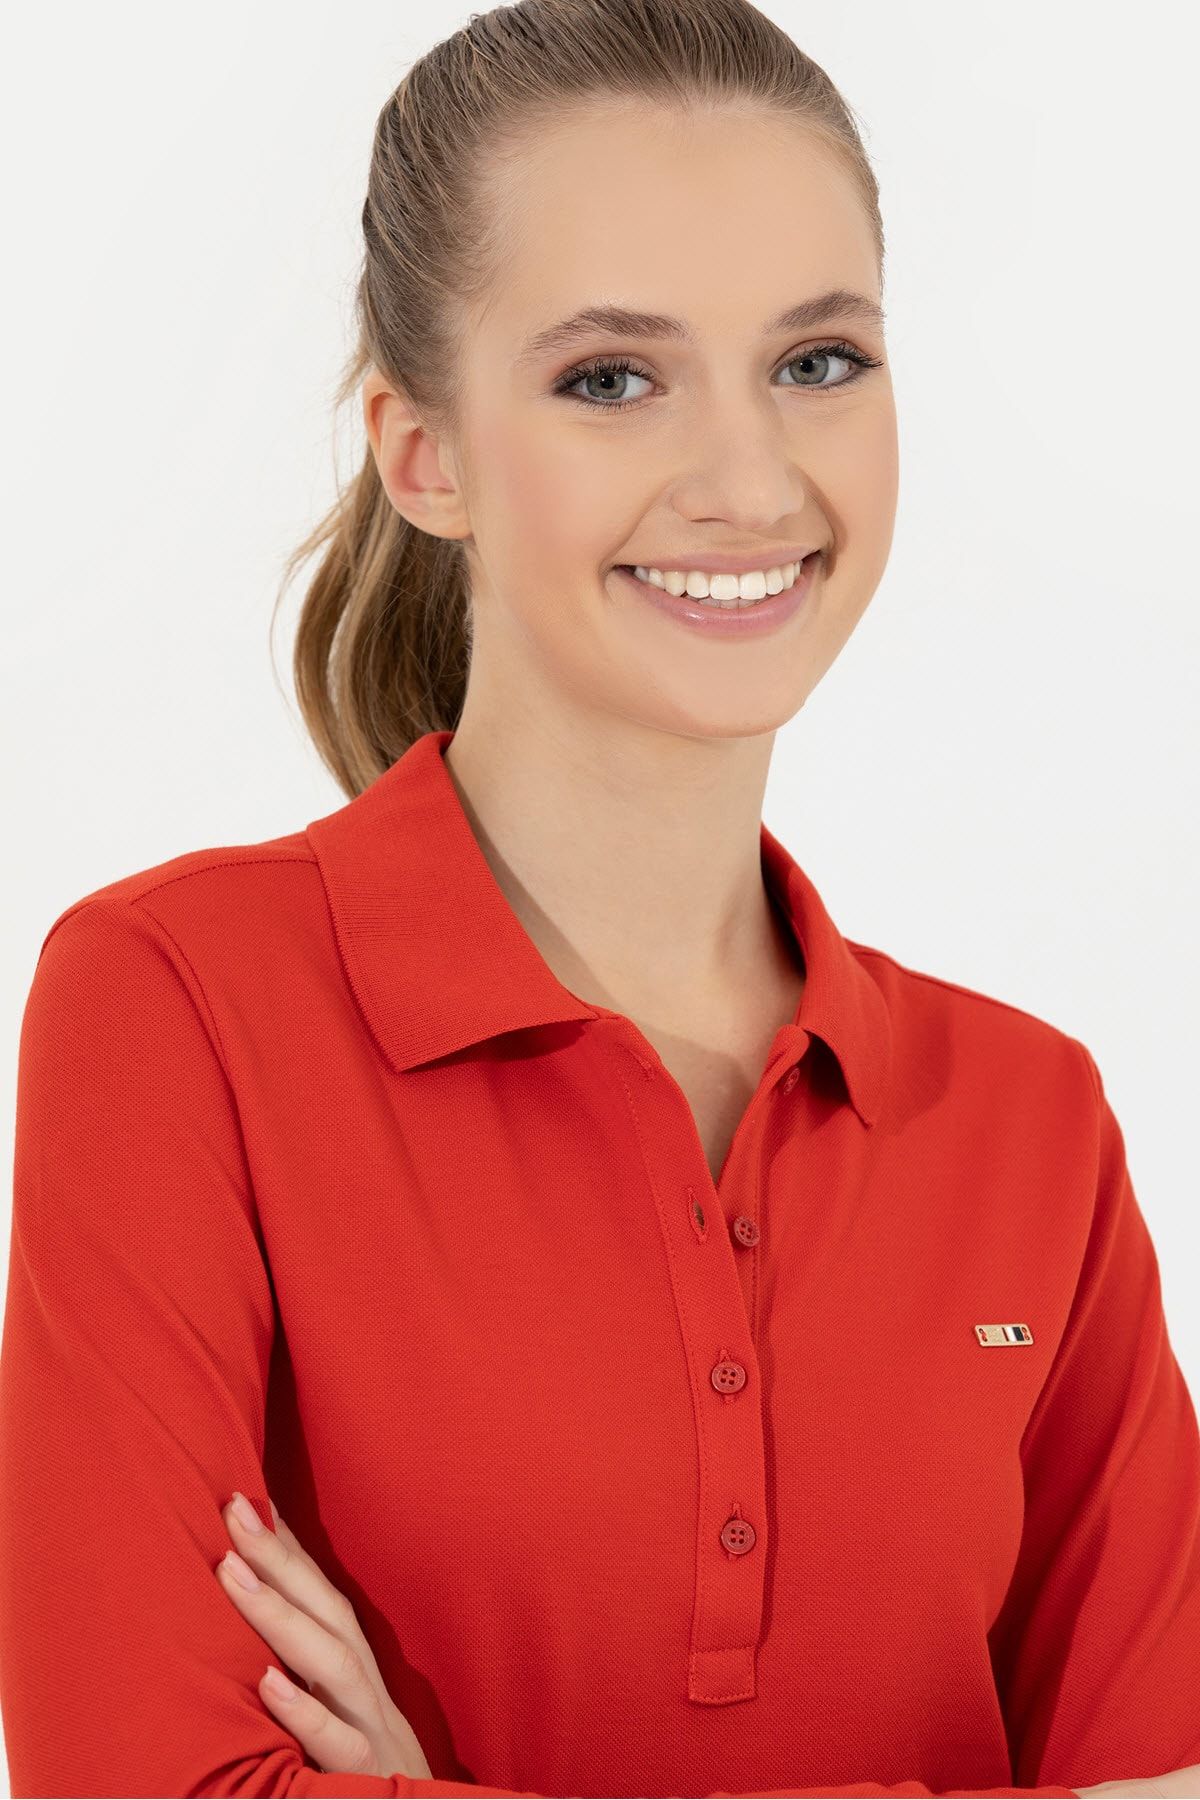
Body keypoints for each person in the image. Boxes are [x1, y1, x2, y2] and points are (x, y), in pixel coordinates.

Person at [2, 2, 1198, 1796]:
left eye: (818, 360)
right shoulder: (177, 1005)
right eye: (613, 380)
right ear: (426, 455)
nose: (750, 481)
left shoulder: (1031, 1120)